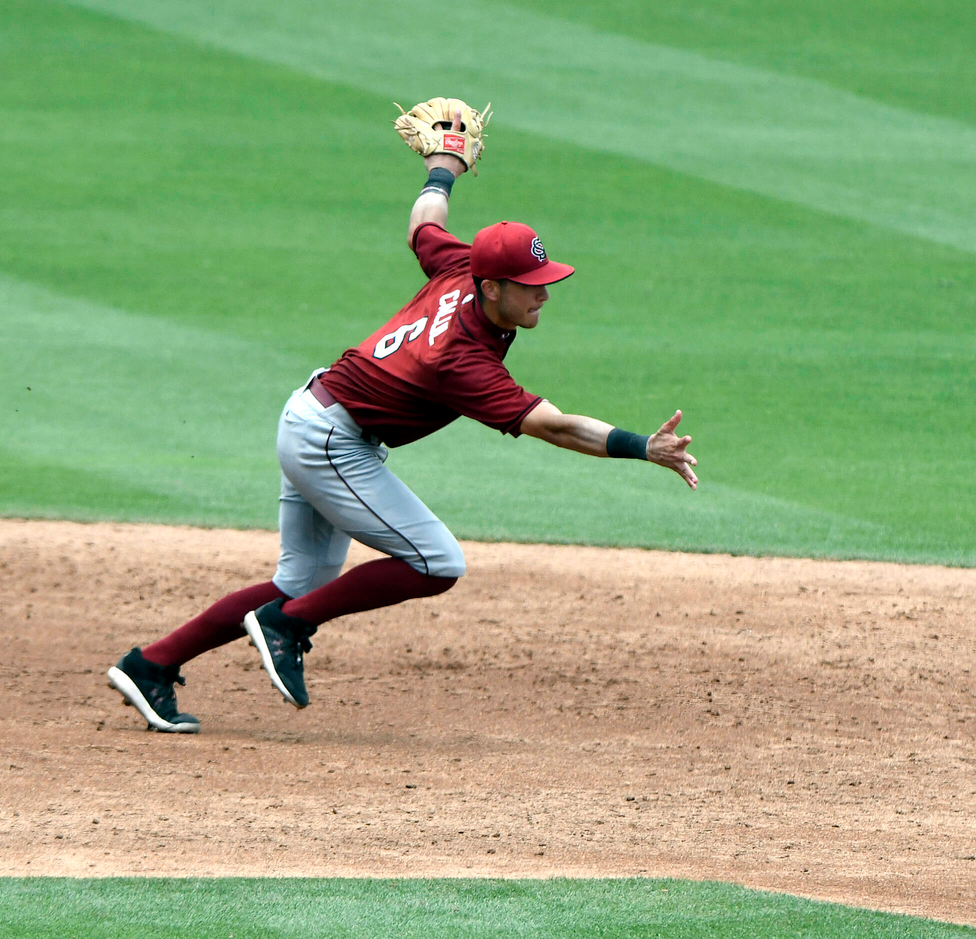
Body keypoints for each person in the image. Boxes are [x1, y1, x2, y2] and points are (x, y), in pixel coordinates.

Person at [106, 111, 698, 734]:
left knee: (298, 581)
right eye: (531, 285)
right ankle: (289, 625)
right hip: (332, 441)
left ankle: (151, 663)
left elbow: (424, 226)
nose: (544, 294)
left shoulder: (459, 266)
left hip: (315, 414)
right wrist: (643, 447)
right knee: (436, 563)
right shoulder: (462, 359)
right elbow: (557, 427)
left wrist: (445, 164)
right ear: (493, 286)